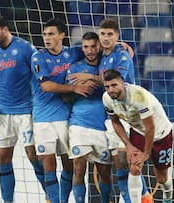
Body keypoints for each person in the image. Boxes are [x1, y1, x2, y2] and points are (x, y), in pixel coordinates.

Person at [0, 15, 47, 203]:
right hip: (2, 113)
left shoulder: (25, 48)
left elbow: (41, 71)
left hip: (26, 111)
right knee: (3, 157)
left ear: (5, 29)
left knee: (33, 155)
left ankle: (51, 195)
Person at [31, 17, 94, 203]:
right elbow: (47, 86)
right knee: (48, 166)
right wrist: (74, 88)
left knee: (70, 166)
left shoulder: (73, 53)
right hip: (43, 119)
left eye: (51, 34)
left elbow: (95, 49)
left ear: (62, 35)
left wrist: (121, 45)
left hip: (66, 118)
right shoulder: (39, 56)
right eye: (44, 34)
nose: (47, 38)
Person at [97, 18, 152, 203]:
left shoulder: (122, 55)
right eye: (103, 34)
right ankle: (145, 198)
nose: (105, 38)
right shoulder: (102, 56)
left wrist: (86, 78)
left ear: (117, 36)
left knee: (125, 163)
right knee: (122, 165)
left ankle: (140, 198)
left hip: (130, 115)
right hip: (114, 116)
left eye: (110, 34)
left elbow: (115, 81)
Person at [102, 68, 173, 203]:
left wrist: (146, 154)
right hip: (139, 131)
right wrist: (128, 145)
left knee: (162, 178)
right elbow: (115, 122)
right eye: (107, 86)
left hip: (161, 134)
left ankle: (168, 198)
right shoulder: (107, 99)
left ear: (122, 83)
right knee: (134, 167)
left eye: (114, 85)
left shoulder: (137, 97)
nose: (111, 90)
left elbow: (150, 127)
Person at [66, 32, 112, 203]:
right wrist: (76, 89)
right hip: (79, 124)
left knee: (105, 172)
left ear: (99, 46)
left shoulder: (106, 67)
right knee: (79, 168)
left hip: (102, 125)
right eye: (86, 47)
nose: (90, 50)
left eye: (93, 46)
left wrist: (95, 81)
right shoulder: (74, 68)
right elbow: (65, 98)